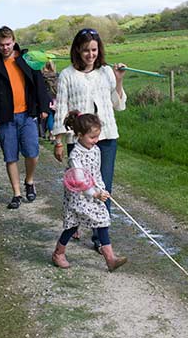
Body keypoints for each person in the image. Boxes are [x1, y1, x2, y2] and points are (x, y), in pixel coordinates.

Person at [52, 28, 127, 252]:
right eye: (86, 50)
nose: (90, 54)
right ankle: (74, 224)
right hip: (79, 139)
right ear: (77, 50)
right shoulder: (67, 75)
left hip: (106, 137)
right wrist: (58, 140)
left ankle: (101, 239)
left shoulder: (105, 72)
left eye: (94, 50)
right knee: (80, 187)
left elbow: (118, 103)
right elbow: (61, 108)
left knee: (104, 185)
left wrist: (119, 80)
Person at [0, 26, 50, 209]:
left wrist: (44, 107)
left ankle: (29, 180)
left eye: (8, 44)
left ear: (13, 41)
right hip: (5, 118)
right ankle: (17, 193)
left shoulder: (27, 59)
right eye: (1, 45)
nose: (5, 47)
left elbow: (39, 84)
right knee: (10, 156)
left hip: (28, 115)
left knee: (32, 153)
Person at [51, 111, 127, 271]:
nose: (96, 140)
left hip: (94, 193)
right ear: (79, 135)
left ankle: (110, 258)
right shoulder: (75, 155)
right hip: (79, 196)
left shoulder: (95, 150)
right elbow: (80, 181)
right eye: (92, 137)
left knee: (102, 220)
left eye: (97, 137)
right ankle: (59, 253)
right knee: (73, 225)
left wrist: (101, 188)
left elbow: (96, 172)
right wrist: (95, 194)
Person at [41, 60, 59, 142]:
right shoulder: (56, 76)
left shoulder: (43, 76)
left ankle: (49, 132)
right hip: (55, 98)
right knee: (54, 116)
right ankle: (53, 132)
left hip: (46, 98)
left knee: (49, 115)